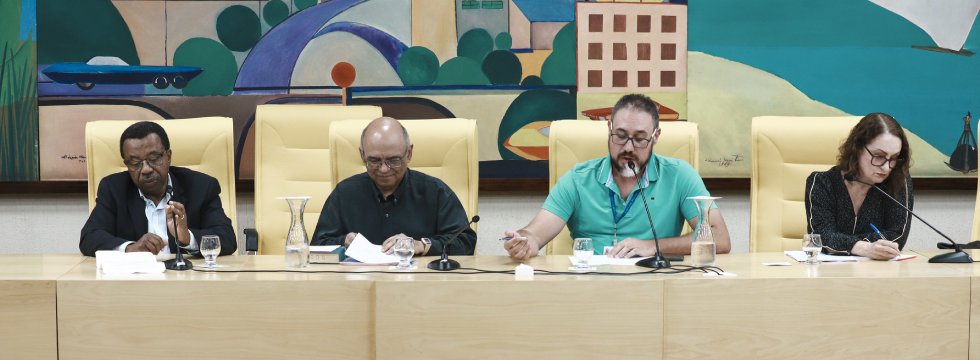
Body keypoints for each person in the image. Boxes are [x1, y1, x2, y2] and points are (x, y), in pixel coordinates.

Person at [503, 94, 731, 260]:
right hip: (590, 289)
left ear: (656, 136)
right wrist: (524, 241)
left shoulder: (679, 175)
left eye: (640, 139)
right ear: (609, 129)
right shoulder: (578, 179)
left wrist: (653, 246)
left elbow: (719, 238)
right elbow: (535, 234)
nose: (628, 147)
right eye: (620, 136)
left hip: (655, 288)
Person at [311, 117, 476, 256]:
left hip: (420, 286)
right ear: (362, 155)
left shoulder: (435, 192)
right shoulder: (344, 193)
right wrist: (343, 241)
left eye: (393, 160)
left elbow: (465, 242)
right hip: (358, 285)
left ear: (409, 154)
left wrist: (421, 245)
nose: (383, 169)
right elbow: (317, 246)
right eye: (374, 160)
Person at [80, 121, 237, 257]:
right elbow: (90, 237)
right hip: (133, 283)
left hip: (187, 282)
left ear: (168, 156)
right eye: (135, 163)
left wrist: (187, 238)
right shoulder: (114, 189)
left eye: (154, 159)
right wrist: (129, 248)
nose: (146, 169)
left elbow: (227, 239)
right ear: (127, 164)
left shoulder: (201, 186)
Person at [805, 112, 913, 260]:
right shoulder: (822, 182)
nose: (886, 168)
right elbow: (820, 236)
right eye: (879, 156)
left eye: (894, 158)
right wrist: (866, 248)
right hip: (829, 275)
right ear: (857, 148)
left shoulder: (898, 181)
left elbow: (896, 236)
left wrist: (843, 241)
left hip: (879, 274)